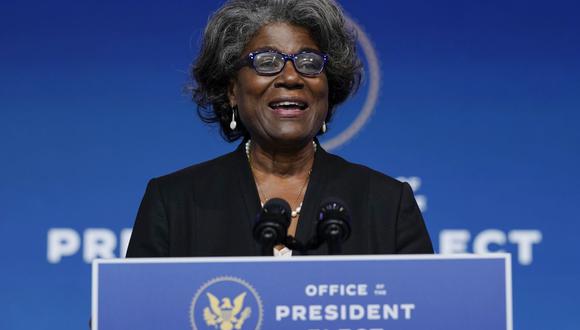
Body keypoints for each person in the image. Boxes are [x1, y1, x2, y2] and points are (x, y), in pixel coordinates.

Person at [126, 0, 433, 258]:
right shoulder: (174, 201)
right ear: (232, 89)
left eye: (309, 62)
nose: (290, 77)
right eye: (267, 61)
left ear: (328, 88)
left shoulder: (387, 203)